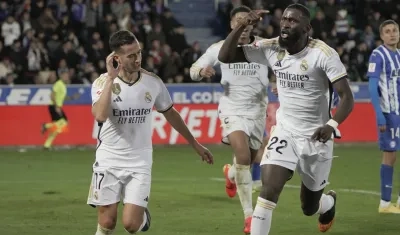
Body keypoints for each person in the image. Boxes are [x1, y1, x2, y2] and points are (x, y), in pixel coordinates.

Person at [218, 3, 354, 235]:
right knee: (268, 191)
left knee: (308, 207)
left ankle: (327, 204)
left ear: (306, 28)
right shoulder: (271, 48)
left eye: (292, 20)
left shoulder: (323, 54)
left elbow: (346, 97)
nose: (285, 24)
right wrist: (242, 24)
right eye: (283, 20)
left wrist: (331, 126)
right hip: (285, 132)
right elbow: (226, 55)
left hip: (316, 136)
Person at [87, 30, 214, 235]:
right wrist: (111, 78)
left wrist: (195, 144)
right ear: (116, 58)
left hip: (140, 161)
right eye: (131, 55)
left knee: (130, 224)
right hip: (108, 158)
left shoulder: (152, 82)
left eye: (139, 53)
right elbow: (100, 116)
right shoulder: (102, 82)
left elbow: (170, 113)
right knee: (107, 222)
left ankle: (142, 216)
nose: (137, 59)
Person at [190, 6, 270, 233]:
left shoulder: (264, 47)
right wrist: (200, 72)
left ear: (253, 25)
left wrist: (278, 83)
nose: (243, 27)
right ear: (232, 25)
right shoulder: (219, 49)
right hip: (232, 109)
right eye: (238, 22)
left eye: (247, 22)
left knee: (250, 160)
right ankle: (249, 216)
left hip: (257, 111)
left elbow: (283, 67)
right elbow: (193, 69)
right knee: (243, 156)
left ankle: (230, 174)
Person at [367, 19, 400, 213]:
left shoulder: (399, 55)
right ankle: (385, 204)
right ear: (381, 36)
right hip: (388, 113)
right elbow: (372, 86)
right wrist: (379, 115)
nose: (392, 34)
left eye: (394, 30)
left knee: (393, 156)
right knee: (390, 156)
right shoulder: (377, 55)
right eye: (387, 31)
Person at [41, 71, 71, 150]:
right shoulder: (58, 84)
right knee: (64, 122)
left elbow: (61, 97)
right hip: (54, 106)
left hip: (57, 106)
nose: (67, 78)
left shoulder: (63, 85)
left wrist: (72, 98)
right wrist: (56, 106)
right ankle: (46, 126)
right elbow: (52, 95)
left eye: (67, 76)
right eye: (65, 76)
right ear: (61, 76)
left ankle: (46, 145)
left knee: (55, 128)